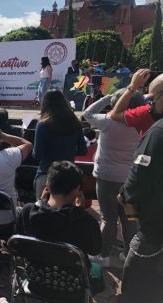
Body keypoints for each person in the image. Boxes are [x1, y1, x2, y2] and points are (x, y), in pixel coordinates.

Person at [17, 161, 102, 285]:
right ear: (77, 190)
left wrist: (40, 202)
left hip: (36, 278)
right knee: (96, 269)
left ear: (47, 186)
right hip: (72, 284)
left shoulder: (27, 211)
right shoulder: (86, 221)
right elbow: (95, 250)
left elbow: (20, 243)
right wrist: (79, 211)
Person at [82, 88, 141, 266]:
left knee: (108, 217)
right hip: (131, 180)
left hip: (106, 177)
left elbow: (87, 113)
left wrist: (107, 98)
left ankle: (103, 255)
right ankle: (129, 255)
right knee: (131, 218)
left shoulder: (107, 121)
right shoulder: (143, 123)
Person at [118, 119, 163, 302]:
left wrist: (132, 216)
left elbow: (130, 192)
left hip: (152, 238)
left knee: (137, 293)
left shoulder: (158, 131)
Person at [33, 90, 87, 199]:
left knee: (42, 213)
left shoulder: (43, 125)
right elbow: (83, 150)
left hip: (47, 174)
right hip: (69, 176)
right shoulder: (75, 123)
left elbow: (37, 155)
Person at [109, 69, 163, 137]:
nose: (150, 102)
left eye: (151, 99)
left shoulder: (146, 113)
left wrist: (133, 86)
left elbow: (115, 114)